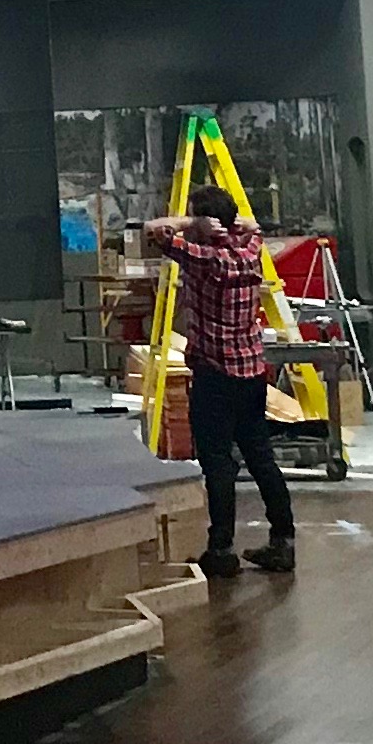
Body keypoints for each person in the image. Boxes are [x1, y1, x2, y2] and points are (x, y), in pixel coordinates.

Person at [145, 183, 294, 579]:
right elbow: (254, 228)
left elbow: (152, 231)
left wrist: (189, 224)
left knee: (217, 463)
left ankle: (222, 549)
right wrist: (235, 224)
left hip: (215, 375)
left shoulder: (204, 257)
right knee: (261, 457)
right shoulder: (251, 249)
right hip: (251, 374)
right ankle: (283, 541)